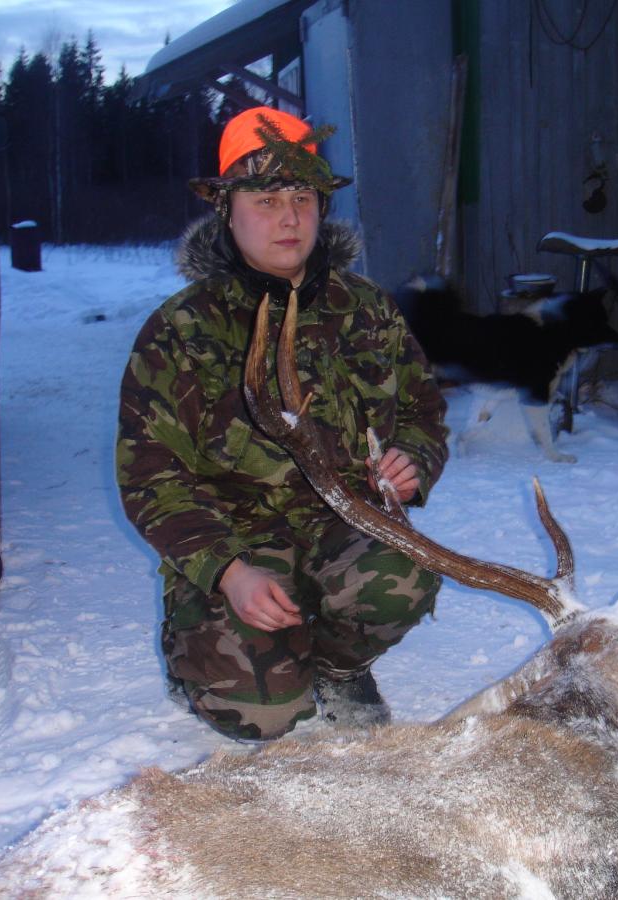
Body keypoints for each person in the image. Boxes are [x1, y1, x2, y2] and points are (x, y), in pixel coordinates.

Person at [116, 107, 449, 742]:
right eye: (266, 200)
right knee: (261, 715)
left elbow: (422, 411)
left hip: (342, 524)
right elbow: (151, 479)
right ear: (227, 210)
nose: (289, 218)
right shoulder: (180, 329)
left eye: (302, 198)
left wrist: (413, 457)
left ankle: (339, 666)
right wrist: (228, 571)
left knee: (404, 580)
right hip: (235, 542)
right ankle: (199, 645)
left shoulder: (366, 308)